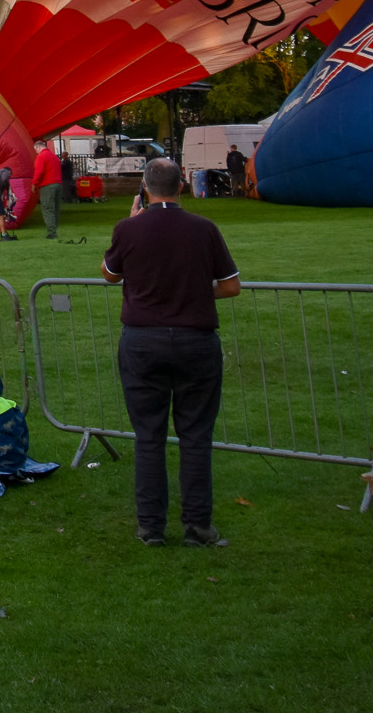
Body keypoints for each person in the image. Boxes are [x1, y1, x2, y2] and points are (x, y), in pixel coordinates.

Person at [102, 155, 241, 547]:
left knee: (149, 436)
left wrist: (129, 223)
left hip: (143, 341)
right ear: (181, 187)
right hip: (195, 341)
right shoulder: (204, 228)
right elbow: (230, 285)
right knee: (195, 436)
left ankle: (151, 527)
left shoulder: (128, 229)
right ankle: (197, 526)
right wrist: (197, 291)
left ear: (145, 189)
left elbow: (109, 274)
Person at [32, 140, 63, 239]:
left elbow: (39, 172)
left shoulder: (41, 156)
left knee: (47, 209)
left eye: (36, 150)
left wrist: (34, 184)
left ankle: (52, 233)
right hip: (58, 184)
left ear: (38, 147)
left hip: (47, 185)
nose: (36, 152)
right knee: (56, 209)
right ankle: (54, 229)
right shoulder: (54, 157)